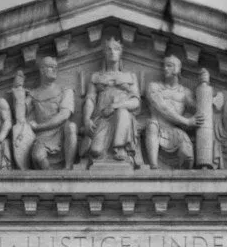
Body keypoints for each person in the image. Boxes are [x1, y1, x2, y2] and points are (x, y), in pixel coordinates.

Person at [81, 34, 142, 165]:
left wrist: (115, 106)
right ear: (104, 53)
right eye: (109, 49)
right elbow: (90, 99)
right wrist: (86, 119)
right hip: (102, 117)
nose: (112, 52)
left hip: (123, 119)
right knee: (96, 151)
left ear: (121, 53)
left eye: (116, 49)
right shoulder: (96, 76)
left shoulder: (130, 76)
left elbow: (136, 102)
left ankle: (120, 147)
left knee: (122, 112)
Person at [12, 53, 78, 170]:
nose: (55, 70)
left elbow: (64, 115)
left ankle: (68, 169)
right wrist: (18, 90)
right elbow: (20, 115)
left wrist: (39, 126)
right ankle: (51, 178)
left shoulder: (65, 91)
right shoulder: (33, 95)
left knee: (72, 127)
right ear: (42, 70)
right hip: (42, 136)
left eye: (56, 67)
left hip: (61, 132)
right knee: (37, 156)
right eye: (51, 67)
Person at [143, 54, 202, 169]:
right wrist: (187, 121)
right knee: (152, 125)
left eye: (169, 66)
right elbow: (162, 108)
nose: (165, 69)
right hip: (158, 127)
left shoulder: (184, 92)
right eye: (164, 66)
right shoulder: (154, 87)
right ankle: (153, 166)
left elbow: (198, 109)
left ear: (177, 69)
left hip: (175, 131)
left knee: (187, 156)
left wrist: (205, 89)